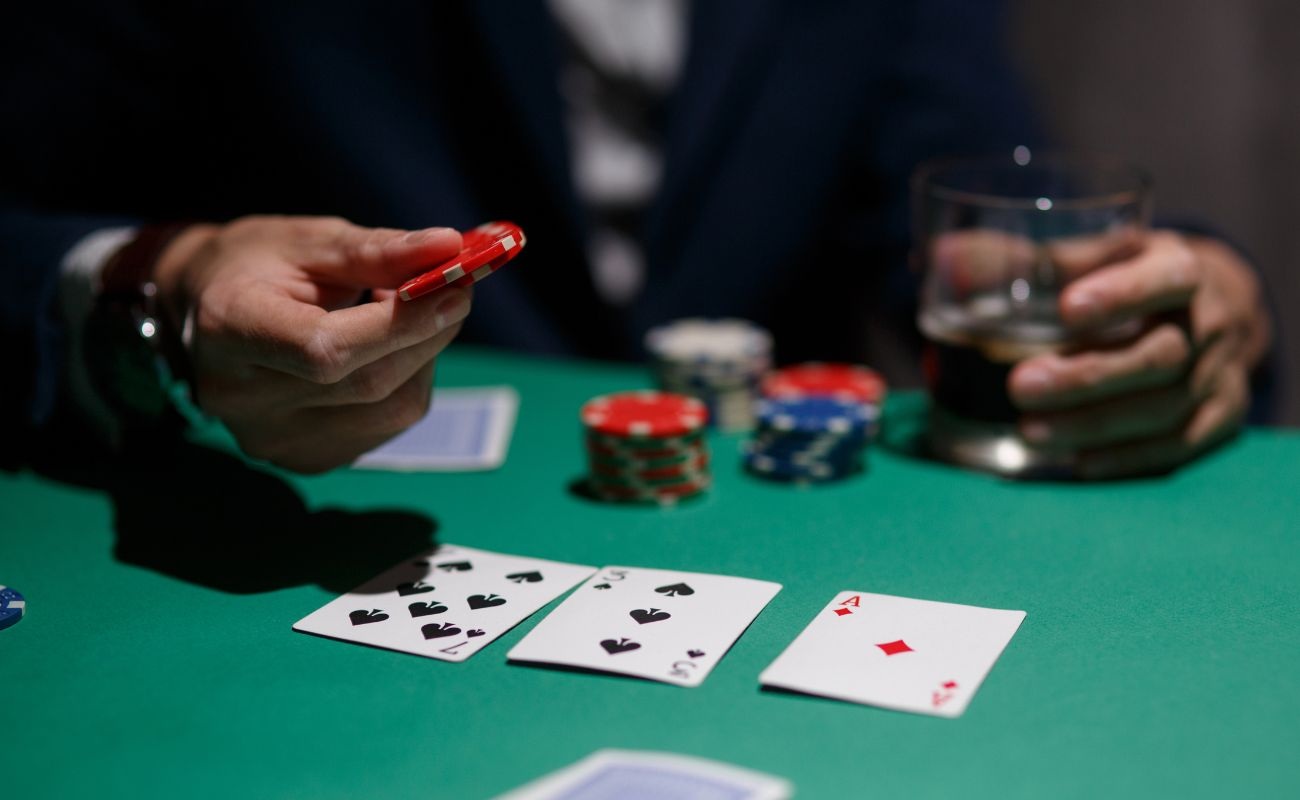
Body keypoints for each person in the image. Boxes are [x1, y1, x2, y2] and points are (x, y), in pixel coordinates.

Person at [0, 1, 1271, 477]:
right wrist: (149, 285)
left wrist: (1170, 287)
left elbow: (976, 199)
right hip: (295, 490)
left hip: (772, 498)